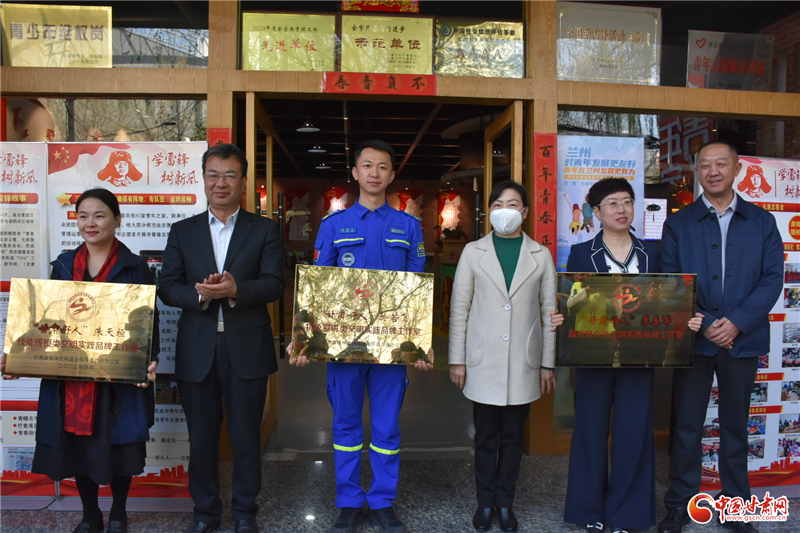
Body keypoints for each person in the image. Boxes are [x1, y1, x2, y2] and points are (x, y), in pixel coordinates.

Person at [290, 139, 431, 533]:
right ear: (354, 172)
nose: (374, 173)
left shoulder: (408, 226)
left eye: (382, 166)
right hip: (344, 348)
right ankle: (349, 501)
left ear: (391, 174)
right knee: (346, 427)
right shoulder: (333, 226)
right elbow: (317, 291)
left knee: (387, 428)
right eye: (367, 165)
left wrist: (422, 344)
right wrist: (302, 339)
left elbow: (417, 293)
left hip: (390, 347)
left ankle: (383, 500)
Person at [2, 188, 158, 533]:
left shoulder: (135, 267)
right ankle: (90, 515)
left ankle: (118, 513)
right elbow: (46, 321)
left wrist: (149, 359)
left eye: (99, 215)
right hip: (71, 376)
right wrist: (20, 357)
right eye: (83, 215)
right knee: (77, 445)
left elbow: (148, 321)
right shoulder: (62, 266)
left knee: (120, 444)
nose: (91, 223)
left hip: (117, 374)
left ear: (116, 220)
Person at [659, 140, 783, 533]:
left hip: (742, 340)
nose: (713, 171)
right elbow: (670, 280)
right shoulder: (679, 223)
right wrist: (710, 322)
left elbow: (772, 279)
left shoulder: (761, 221)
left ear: (737, 169)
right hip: (693, 338)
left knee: (735, 426)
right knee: (686, 426)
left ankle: (736, 507)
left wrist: (736, 323)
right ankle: (680, 504)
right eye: (705, 165)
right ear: (697, 172)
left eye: (721, 164)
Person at [159, 143, 283, 533]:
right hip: (197, 349)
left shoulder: (264, 229)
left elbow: (275, 283)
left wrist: (235, 290)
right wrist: (199, 295)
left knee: (246, 439)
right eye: (213, 174)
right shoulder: (183, 231)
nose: (221, 182)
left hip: (246, 348)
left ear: (243, 182)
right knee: (201, 441)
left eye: (230, 175)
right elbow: (167, 286)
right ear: (203, 178)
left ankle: (245, 514)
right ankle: (205, 513)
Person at [448, 180, 557, 533]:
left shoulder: (540, 255)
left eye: (512, 204)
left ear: (524, 212)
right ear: (489, 210)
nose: (504, 210)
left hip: (523, 363)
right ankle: (485, 502)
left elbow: (550, 312)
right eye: (498, 204)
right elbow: (459, 308)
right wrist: (457, 359)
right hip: (483, 361)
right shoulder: (473, 252)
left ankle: (505, 504)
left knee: (512, 438)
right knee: (484, 438)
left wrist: (547, 363)